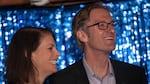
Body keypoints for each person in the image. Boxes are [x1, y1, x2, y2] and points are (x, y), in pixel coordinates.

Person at [48, 2, 148, 84]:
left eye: (112, 24)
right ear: (82, 35)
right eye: (102, 25)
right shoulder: (62, 80)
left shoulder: (134, 75)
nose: (112, 30)